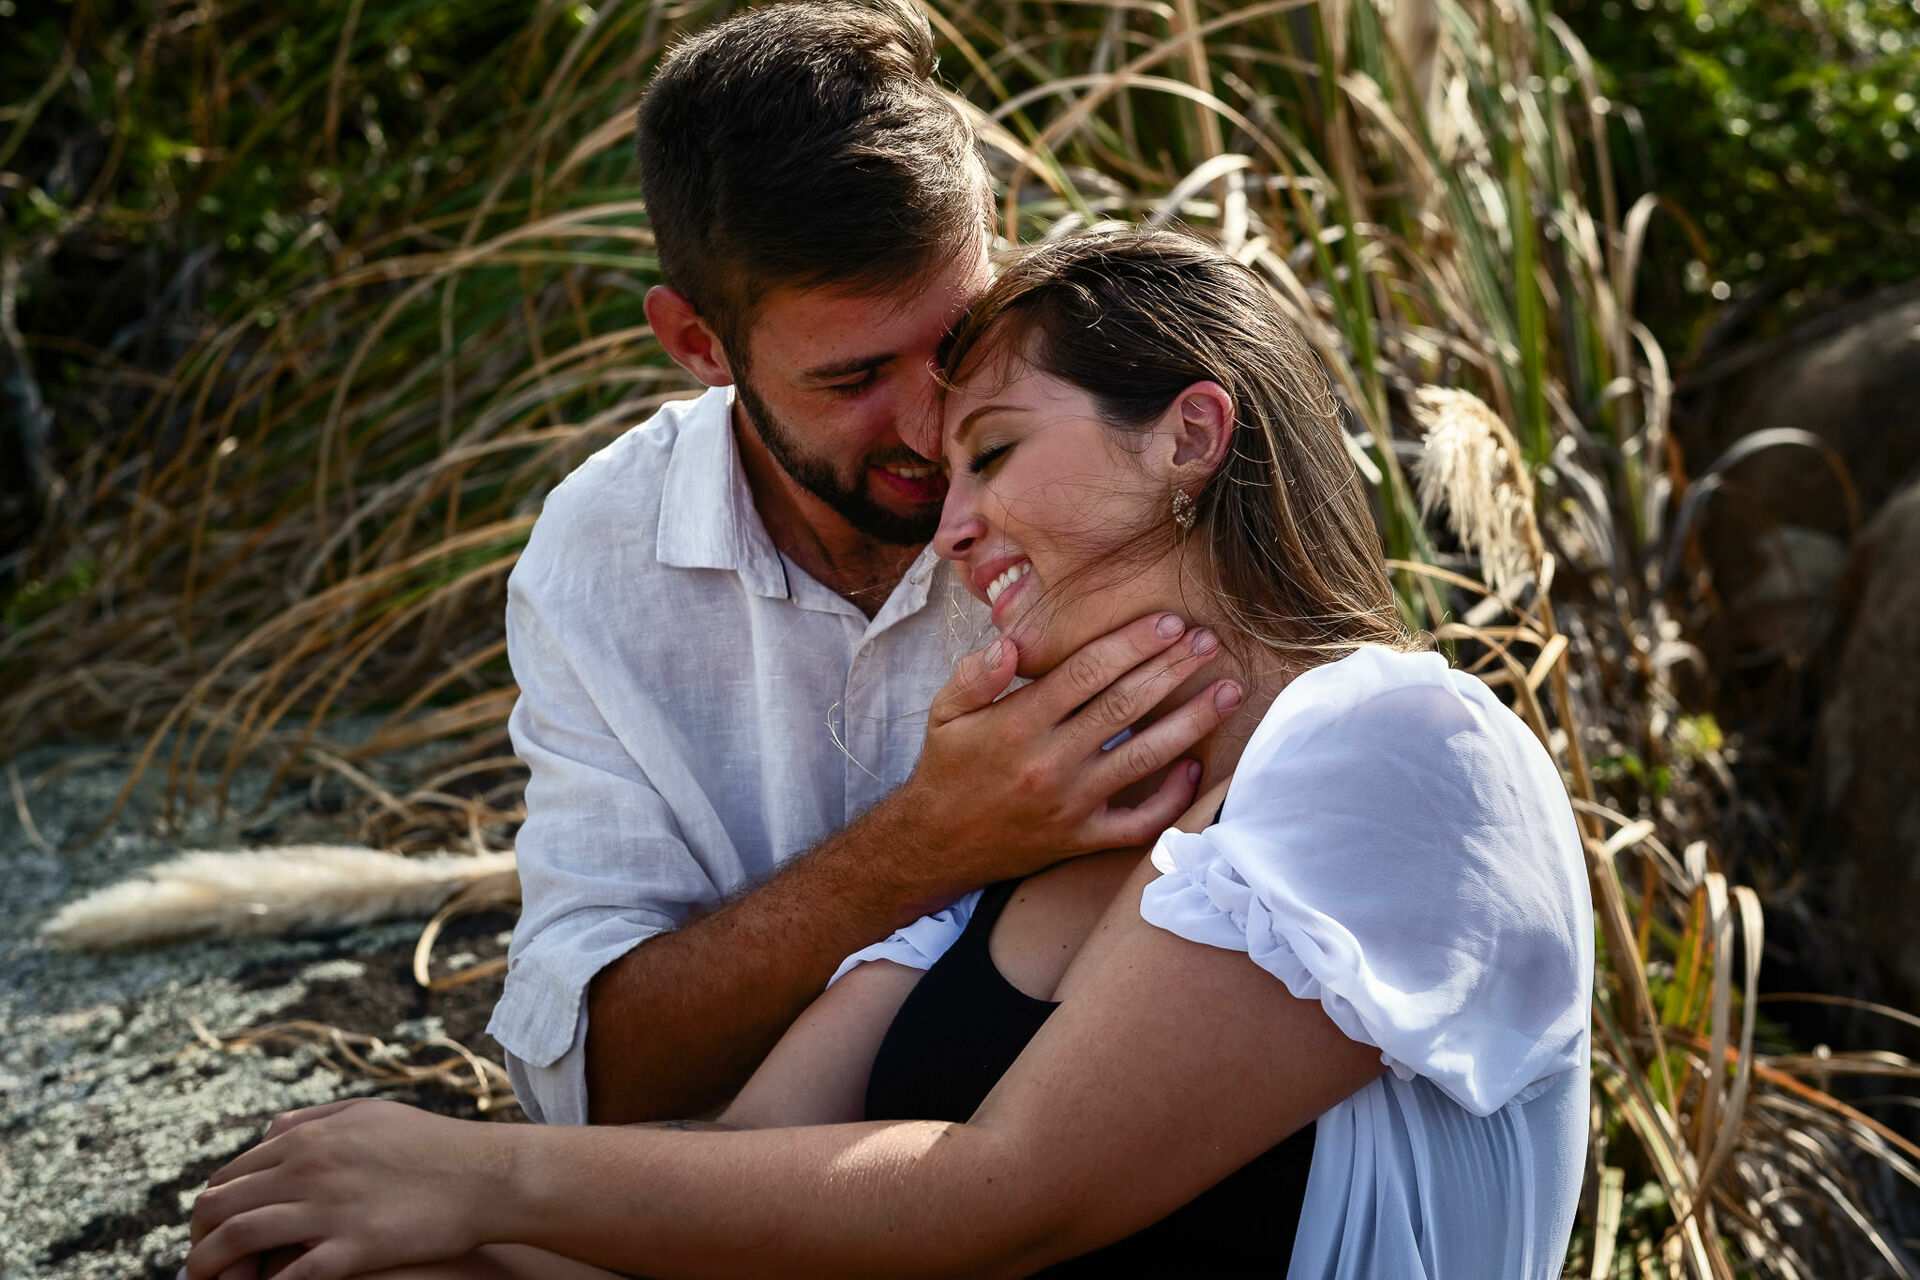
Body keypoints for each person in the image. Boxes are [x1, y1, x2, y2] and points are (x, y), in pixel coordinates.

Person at [184, 229, 1594, 1280]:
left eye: (990, 451)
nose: (951, 521)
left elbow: (1007, 1193)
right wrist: (385, 1232)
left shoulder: (1398, 742)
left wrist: (477, 1175)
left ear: (1191, 437)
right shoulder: (1020, 813)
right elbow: (732, 1178)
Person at [494, 0, 1238, 1129]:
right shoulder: (599, 556)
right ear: (698, 344)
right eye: (850, 380)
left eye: (954, 339)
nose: (934, 426)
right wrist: (929, 844)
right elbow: (594, 1079)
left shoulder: (1118, 461)